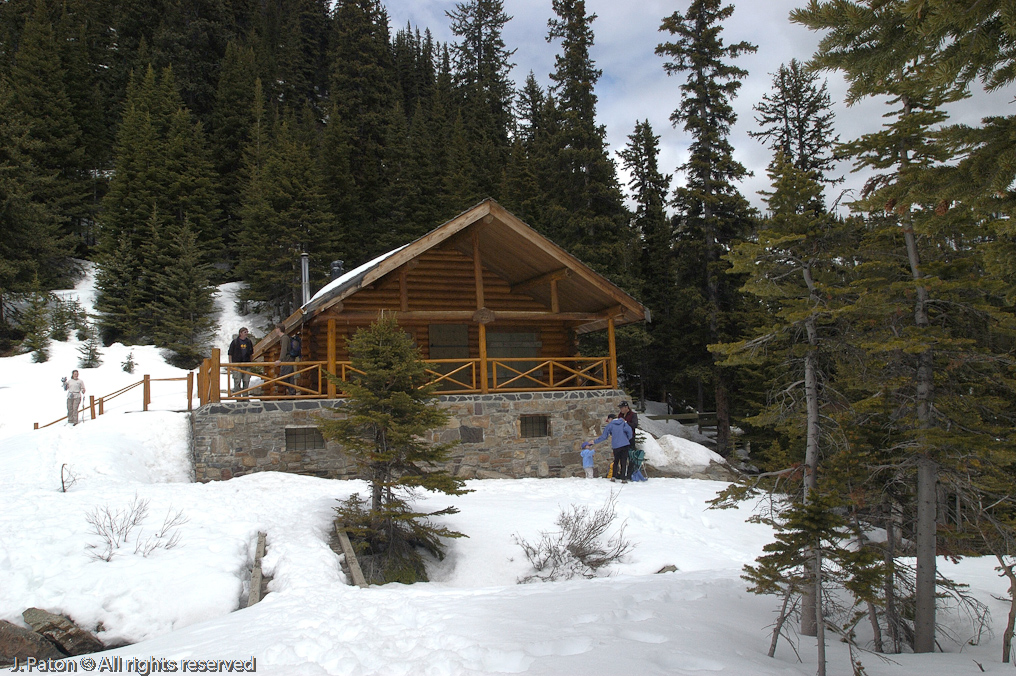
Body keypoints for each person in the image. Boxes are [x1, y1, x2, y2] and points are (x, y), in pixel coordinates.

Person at [590, 413, 633, 483]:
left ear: (610, 419)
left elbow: (604, 436)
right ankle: (623, 478)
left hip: (616, 445)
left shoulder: (610, 425)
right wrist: (627, 439)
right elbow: (629, 431)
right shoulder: (623, 423)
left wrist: (594, 441)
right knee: (623, 461)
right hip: (625, 444)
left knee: (616, 461)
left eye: (608, 420)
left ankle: (613, 476)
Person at [227, 327, 255, 394]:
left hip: (246, 364)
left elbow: (251, 353)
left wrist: (251, 362)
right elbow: (230, 353)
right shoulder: (235, 342)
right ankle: (238, 397)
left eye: (247, 332)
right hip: (237, 364)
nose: (246, 333)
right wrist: (230, 364)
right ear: (240, 333)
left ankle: (245, 397)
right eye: (245, 332)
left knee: (246, 380)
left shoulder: (248, 342)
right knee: (237, 380)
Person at [275, 327, 302, 395]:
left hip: (287, 360)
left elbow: (284, 349)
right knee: (289, 376)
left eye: (276, 329)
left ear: (279, 329)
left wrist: (280, 360)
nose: (275, 330)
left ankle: (292, 392)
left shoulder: (284, 338)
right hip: (288, 359)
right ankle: (292, 393)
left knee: (284, 376)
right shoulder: (285, 337)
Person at [618, 401, 639, 480]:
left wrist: (626, 422)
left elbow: (635, 425)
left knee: (631, 455)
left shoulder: (633, 415)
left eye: (622, 408)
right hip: (622, 438)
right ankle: (622, 473)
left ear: (626, 407)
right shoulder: (620, 415)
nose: (621, 409)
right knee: (622, 456)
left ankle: (629, 473)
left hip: (630, 438)